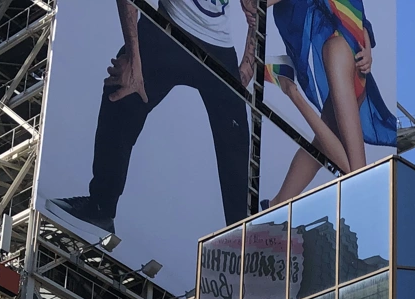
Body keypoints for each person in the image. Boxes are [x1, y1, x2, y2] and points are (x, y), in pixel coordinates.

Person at [44, 0, 256, 239]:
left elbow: (258, 7)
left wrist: (249, 56)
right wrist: (134, 59)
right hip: (166, 28)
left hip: (218, 46)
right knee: (121, 92)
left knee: (236, 148)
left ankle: (243, 246)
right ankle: (101, 207)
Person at [263, 0, 397, 204]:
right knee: (356, 174)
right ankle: (290, 88)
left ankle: (290, 89)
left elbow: (359, 17)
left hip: (352, 59)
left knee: (330, 152)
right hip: (345, 56)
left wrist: (368, 51)